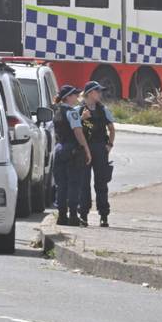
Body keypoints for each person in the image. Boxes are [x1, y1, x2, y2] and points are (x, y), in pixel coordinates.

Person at [52, 85, 91, 227]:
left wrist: (81, 118)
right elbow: (77, 131)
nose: (77, 97)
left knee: (61, 184)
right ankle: (73, 216)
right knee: (74, 183)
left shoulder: (57, 111)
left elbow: (65, 127)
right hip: (72, 150)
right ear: (68, 97)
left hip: (59, 149)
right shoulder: (71, 112)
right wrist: (86, 149)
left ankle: (62, 216)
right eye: (74, 95)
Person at [80, 81, 117, 228]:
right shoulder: (79, 110)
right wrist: (82, 118)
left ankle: (104, 215)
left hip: (100, 148)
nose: (100, 94)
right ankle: (83, 215)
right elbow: (73, 128)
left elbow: (112, 129)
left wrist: (109, 146)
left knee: (101, 183)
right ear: (89, 93)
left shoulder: (103, 110)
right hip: (84, 149)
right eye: (97, 91)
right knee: (84, 183)